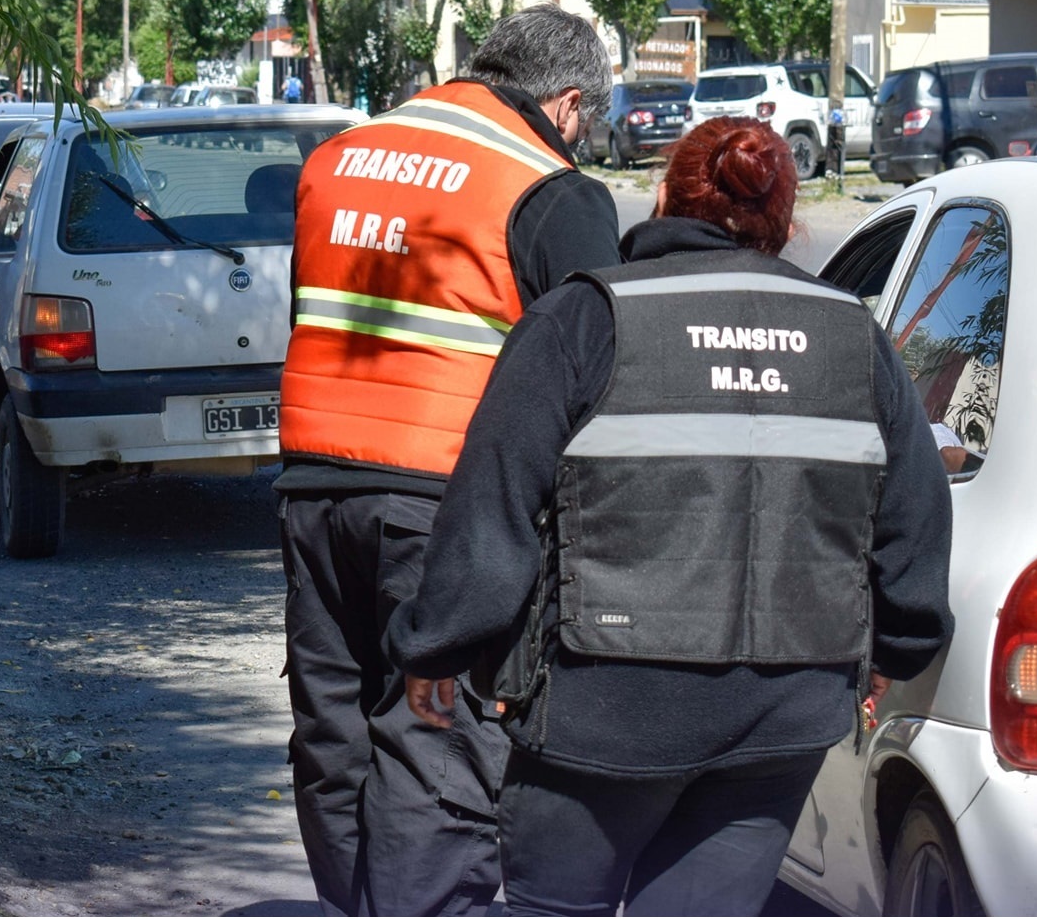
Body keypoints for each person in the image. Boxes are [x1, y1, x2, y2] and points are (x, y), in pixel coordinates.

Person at [383, 118, 955, 916]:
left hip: (598, 712)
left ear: (660, 198)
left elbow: (494, 505)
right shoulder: (853, 338)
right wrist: (899, 643)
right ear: (784, 226)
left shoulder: (583, 320)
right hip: (780, 716)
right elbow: (914, 518)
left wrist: (437, 646)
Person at [277, 4, 622, 916]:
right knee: (435, 744)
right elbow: (599, 373)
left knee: (334, 734)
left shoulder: (342, 155)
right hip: (444, 507)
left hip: (315, 488)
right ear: (572, 103)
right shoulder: (547, 187)